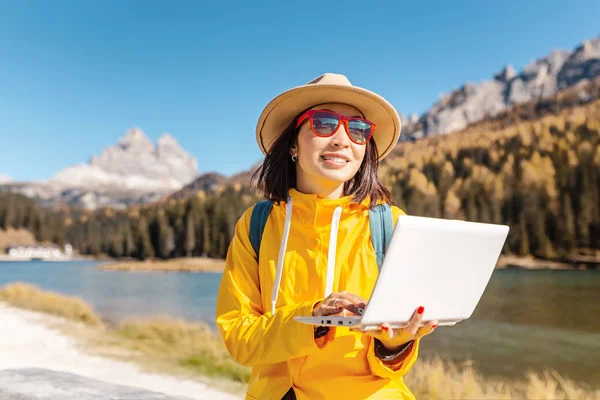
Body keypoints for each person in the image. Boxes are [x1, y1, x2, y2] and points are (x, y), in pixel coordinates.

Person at [216, 73, 438, 400]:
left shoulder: (391, 225)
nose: (341, 139)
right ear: (293, 142)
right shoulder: (257, 225)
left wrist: (396, 343)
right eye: (323, 123)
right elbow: (239, 336)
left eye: (358, 130)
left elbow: (394, 362)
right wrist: (314, 320)